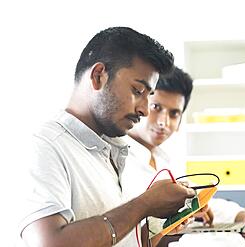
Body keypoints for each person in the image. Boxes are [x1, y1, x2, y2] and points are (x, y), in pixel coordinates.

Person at [17, 27, 196, 247]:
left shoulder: (119, 149)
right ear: (98, 75)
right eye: (138, 91)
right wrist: (144, 204)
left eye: (148, 96)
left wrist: (163, 226)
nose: (145, 110)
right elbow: (50, 243)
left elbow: (123, 239)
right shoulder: (45, 145)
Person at [120, 67, 245, 246]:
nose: (163, 122)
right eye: (156, 107)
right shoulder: (117, 157)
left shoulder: (164, 160)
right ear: (141, 106)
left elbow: (199, 199)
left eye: (174, 113)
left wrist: (243, 215)